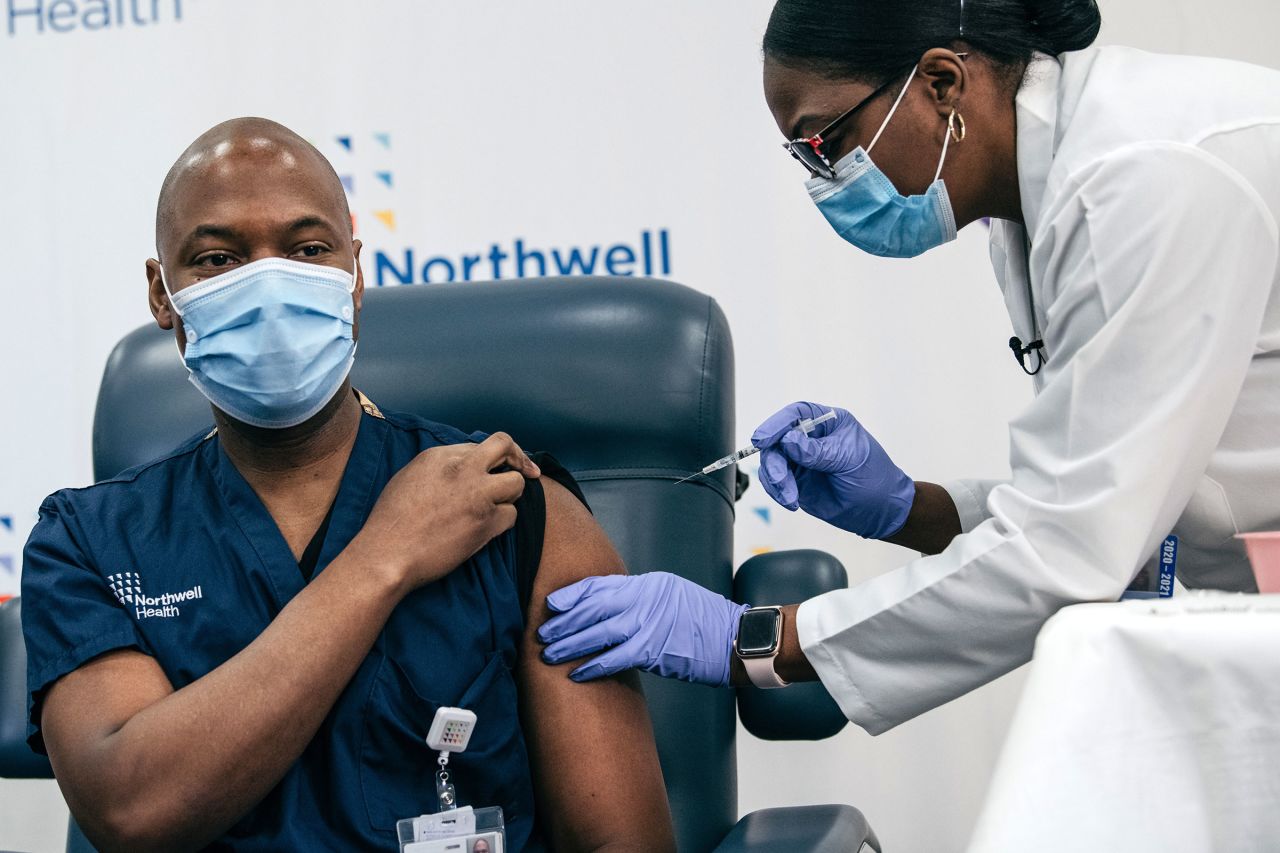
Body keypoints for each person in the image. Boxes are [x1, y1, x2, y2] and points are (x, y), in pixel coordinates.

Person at [540, 0, 1280, 734]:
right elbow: (1102, 500)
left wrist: (750, 639)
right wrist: (909, 508)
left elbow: (1072, 546)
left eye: (825, 141)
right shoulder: (1040, 209)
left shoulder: (1144, 179)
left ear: (942, 84)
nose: (823, 180)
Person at [21, 118, 674, 852]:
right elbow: (131, 809)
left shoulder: (514, 508)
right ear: (161, 292)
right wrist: (383, 557)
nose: (266, 283)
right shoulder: (89, 541)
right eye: (217, 258)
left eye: (307, 249)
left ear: (354, 274)